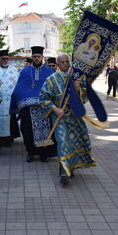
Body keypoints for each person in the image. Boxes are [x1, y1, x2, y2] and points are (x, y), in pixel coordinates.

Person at [40, 53, 96, 185]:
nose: (65, 64)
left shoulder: (77, 78)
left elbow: (86, 96)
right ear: (58, 65)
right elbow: (43, 97)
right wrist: (55, 109)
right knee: (63, 141)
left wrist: (78, 90)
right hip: (59, 117)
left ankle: (71, 166)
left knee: (74, 141)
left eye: (67, 62)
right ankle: (63, 171)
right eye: (62, 62)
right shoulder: (51, 79)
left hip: (75, 116)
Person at [10, 46, 56, 162]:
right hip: (28, 107)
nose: (36, 58)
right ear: (32, 57)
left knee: (46, 129)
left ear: (42, 57)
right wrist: (19, 98)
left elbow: (53, 88)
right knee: (27, 129)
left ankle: (43, 153)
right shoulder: (25, 71)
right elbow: (19, 88)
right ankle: (31, 152)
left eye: (38, 56)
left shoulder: (49, 71)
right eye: (34, 56)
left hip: (44, 107)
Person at [0, 50, 20, 147]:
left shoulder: (14, 70)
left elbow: (18, 84)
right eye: (3, 58)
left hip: (10, 100)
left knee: (10, 119)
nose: (5, 60)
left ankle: (9, 138)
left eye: (7, 58)